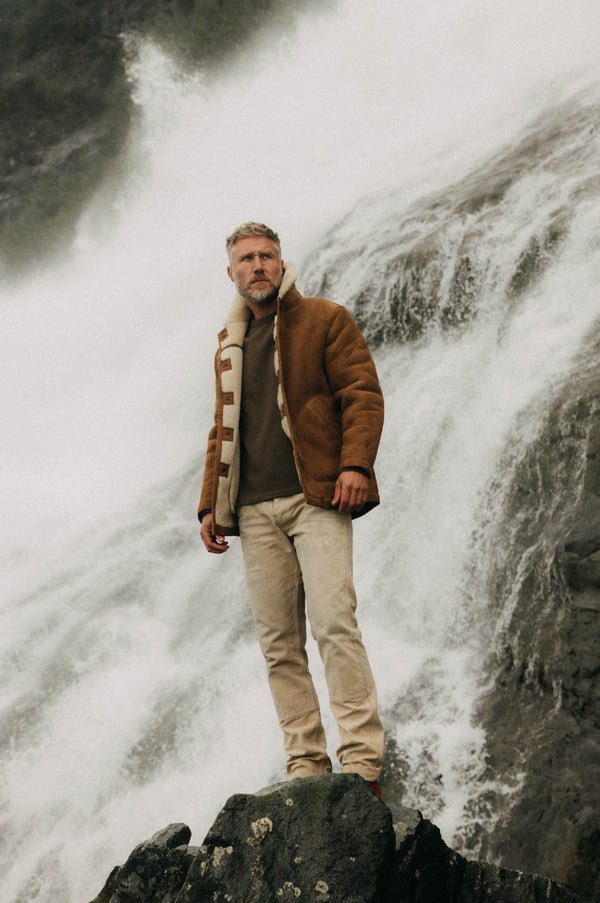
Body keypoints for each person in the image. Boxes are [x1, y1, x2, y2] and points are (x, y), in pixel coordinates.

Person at [198, 222, 384, 795]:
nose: (257, 266)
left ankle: (362, 764)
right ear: (231, 272)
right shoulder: (228, 345)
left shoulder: (325, 319)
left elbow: (362, 394)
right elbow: (222, 430)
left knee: (334, 626)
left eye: (266, 256)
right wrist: (209, 507)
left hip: (316, 499)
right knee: (279, 646)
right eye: (246, 259)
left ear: (282, 264)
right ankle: (305, 765)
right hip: (254, 511)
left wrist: (355, 465)